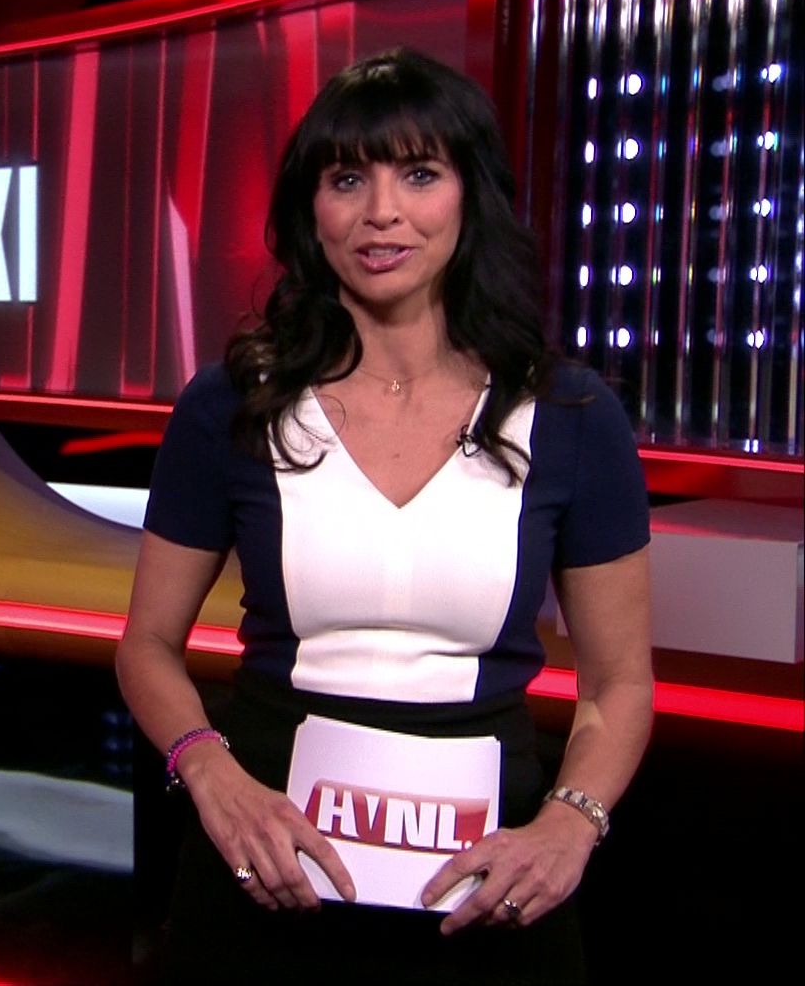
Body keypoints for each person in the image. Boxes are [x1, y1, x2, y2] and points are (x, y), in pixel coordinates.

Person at [117, 49, 653, 983]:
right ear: (311, 210)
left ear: (470, 196)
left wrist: (571, 824)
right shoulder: (230, 405)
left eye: (419, 174)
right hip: (266, 858)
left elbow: (618, 683)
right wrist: (211, 774)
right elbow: (147, 645)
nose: (382, 213)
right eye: (347, 180)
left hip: (491, 881)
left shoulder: (572, 416)